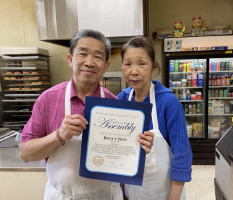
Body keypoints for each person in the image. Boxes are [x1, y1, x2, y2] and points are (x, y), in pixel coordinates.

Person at [19, 29, 153, 200]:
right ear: (70, 59)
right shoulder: (48, 99)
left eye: (97, 57)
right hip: (61, 196)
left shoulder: (116, 105)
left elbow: (121, 164)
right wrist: (59, 135)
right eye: (82, 54)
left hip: (104, 195)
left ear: (105, 66)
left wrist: (138, 148)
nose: (89, 62)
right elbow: (25, 154)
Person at [117, 37, 192, 200]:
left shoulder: (168, 102)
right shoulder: (121, 100)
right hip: (132, 193)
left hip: (165, 194)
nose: (134, 71)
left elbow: (182, 155)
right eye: (128, 64)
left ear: (154, 67)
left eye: (141, 63)